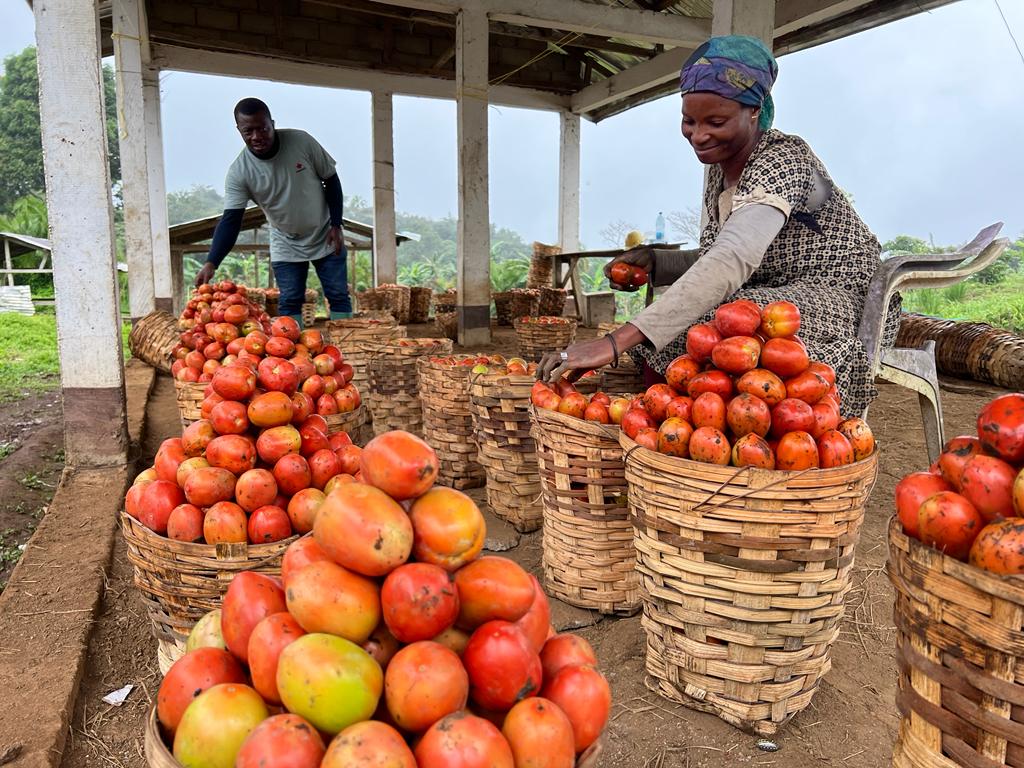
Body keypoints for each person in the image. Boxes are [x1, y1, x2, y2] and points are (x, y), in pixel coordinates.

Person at [538, 35, 900, 417]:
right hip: (770, 288)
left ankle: (732, 433)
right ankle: (665, 423)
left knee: (727, 327)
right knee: (693, 323)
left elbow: (732, 260)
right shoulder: (719, 168)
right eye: (688, 121)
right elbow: (719, 254)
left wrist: (614, 342)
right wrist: (657, 262)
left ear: (754, 110)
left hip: (844, 298)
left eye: (716, 121)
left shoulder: (784, 159)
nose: (699, 135)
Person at [194, 98, 352, 324]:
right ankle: (292, 353)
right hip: (285, 240)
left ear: (272, 123)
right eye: (248, 131)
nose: (256, 136)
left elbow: (331, 180)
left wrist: (337, 223)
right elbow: (231, 220)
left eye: (263, 128)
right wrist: (212, 261)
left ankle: (346, 347)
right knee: (289, 300)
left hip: (325, 232)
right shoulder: (239, 173)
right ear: (239, 130)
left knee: (338, 295)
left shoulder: (301, 141)